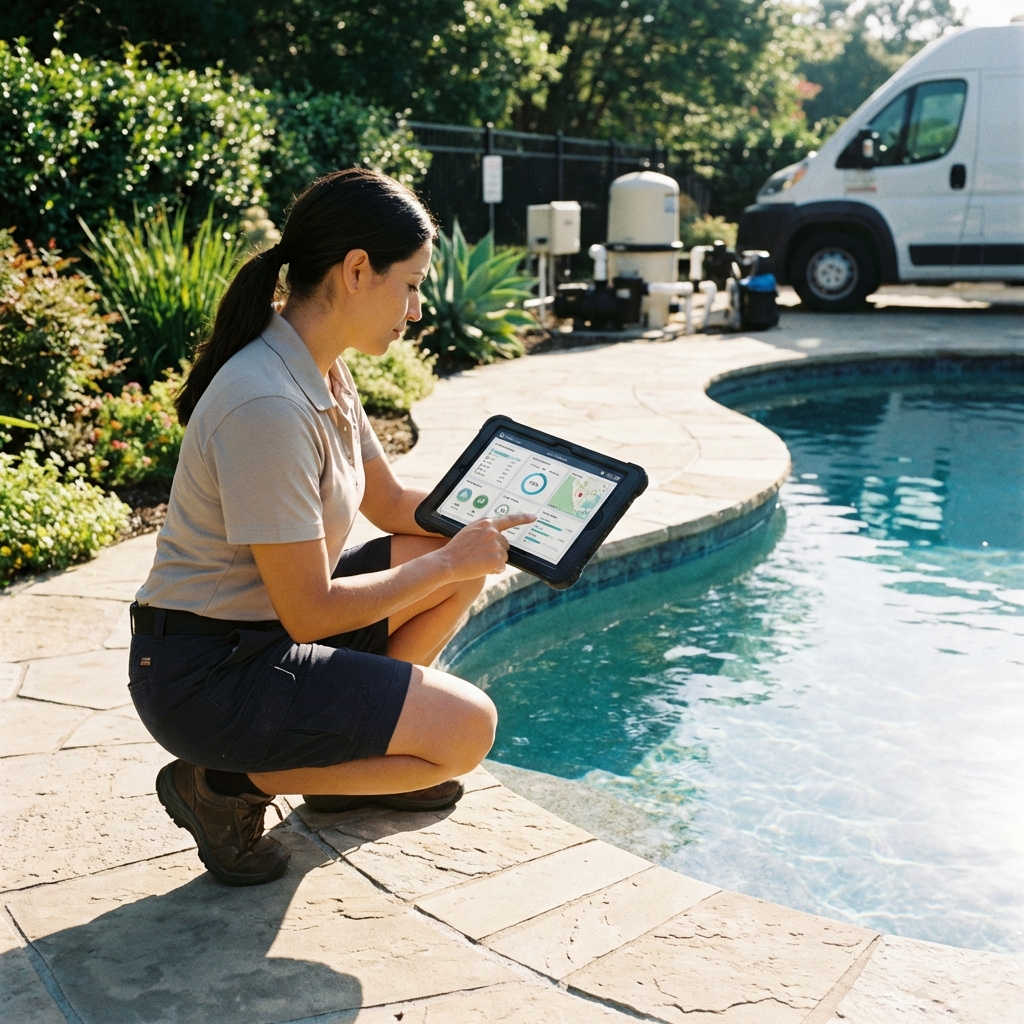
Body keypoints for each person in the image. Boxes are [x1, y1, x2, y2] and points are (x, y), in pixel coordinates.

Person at [128, 168, 533, 887]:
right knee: (467, 730)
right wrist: (449, 565)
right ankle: (223, 786)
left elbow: (392, 504)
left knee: (434, 546)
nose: (414, 309)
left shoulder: (322, 369)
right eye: (410, 284)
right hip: (208, 674)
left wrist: (501, 518)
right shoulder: (267, 405)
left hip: (259, 636)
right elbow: (310, 613)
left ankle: (348, 770)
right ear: (355, 271)